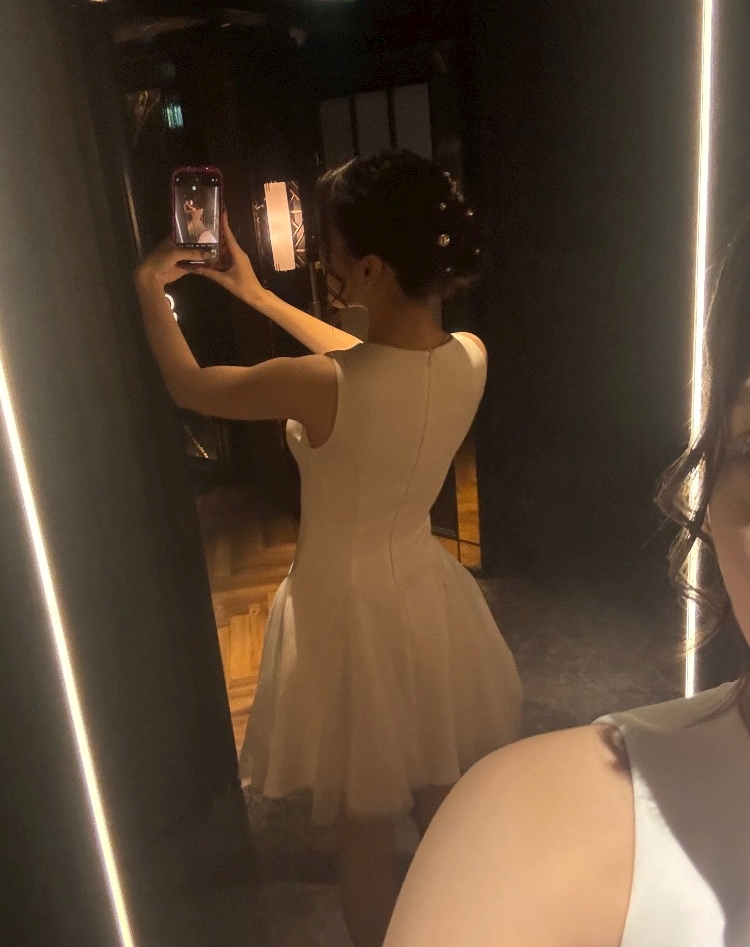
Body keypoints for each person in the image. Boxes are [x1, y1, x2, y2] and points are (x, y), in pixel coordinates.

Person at [134, 150, 523, 947]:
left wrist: (147, 288)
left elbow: (190, 385)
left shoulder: (320, 385)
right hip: (425, 591)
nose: (324, 262)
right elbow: (365, 362)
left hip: (345, 611)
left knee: (364, 838)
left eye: (333, 250)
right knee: (440, 792)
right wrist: (256, 295)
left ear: (371, 268)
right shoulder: (470, 355)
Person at [383, 211, 750, 947]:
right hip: (415, 572)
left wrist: (259, 300)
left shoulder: (333, 376)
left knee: (372, 789)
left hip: (363, 583)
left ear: (367, 268)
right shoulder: (466, 356)